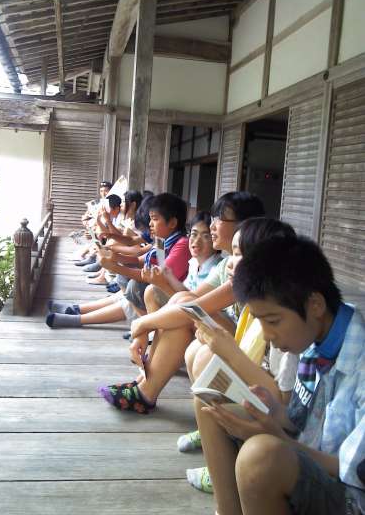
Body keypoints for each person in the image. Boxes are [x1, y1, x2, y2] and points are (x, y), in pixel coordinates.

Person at [195, 235, 365, 515]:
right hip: (311, 457)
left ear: (315, 304)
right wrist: (275, 410)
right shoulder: (315, 338)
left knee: (261, 457)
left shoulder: (358, 360)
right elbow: (302, 421)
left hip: (351, 496)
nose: (267, 335)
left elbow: (351, 471)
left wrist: (280, 439)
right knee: (211, 405)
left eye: (273, 321)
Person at [98, 193, 265, 414]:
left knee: (183, 311)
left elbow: (195, 306)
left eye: (219, 219)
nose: (212, 226)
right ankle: (145, 381)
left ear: (245, 226)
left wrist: (141, 324)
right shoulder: (225, 264)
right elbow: (190, 297)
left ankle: (146, 391)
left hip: (246, 351)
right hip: (229, 337)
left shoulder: (247, 268)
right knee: (179, 303)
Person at [181, 218, 299, 493]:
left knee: (208, 400)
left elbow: (283, 401)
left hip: (281, 416)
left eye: (238, 254)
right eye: (231, 253)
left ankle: (222, 471)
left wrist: (229, 352)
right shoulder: (253, 304)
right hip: (263, 395)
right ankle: (219, 458)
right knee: (206, 380)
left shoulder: (283, 320)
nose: (230, 263)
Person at [46, 192, 190, 329]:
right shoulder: (161, 240)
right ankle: (76, 311)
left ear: (172, 223)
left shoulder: (181, 244)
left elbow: (158, 276)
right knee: (128, 288)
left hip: (170, 297)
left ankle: (145, 328)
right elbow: (141, 260)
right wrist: (114, 257)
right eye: (151, 219)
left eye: (155, 219)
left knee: (134, 286)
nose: (150, 224)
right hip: (156, 290)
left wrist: (115, 266)